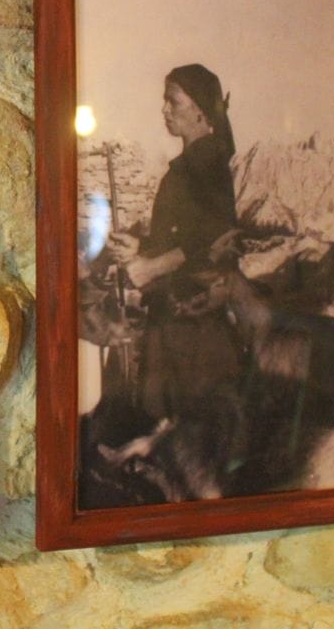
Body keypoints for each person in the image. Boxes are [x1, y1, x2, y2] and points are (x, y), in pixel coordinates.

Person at [94, 63, 241, 422]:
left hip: (192, 327)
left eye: (172, 102)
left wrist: (151, 267)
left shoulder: (206, 162)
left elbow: (215, 233)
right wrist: (139, 249)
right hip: (178, 320)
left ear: (201, 111)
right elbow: (183, 235)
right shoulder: (191, 164)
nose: (164, 110)